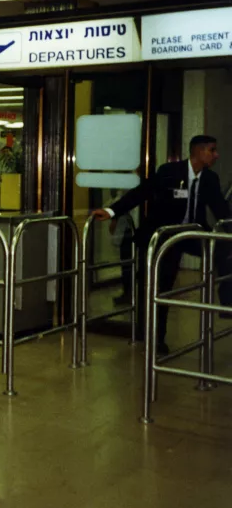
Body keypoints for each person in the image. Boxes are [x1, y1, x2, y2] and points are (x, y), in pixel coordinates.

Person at [94, 135, 231, 354]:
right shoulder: (169, 172)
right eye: (212, 150)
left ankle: (227, 303)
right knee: (163, 286)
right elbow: (142, 192)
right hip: (166, 235)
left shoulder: (210, 179)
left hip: (192, 232)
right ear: (198, 152)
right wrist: (113, 211)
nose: (216, 155)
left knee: (225, 249)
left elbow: (222, 211)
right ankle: (157, 339)